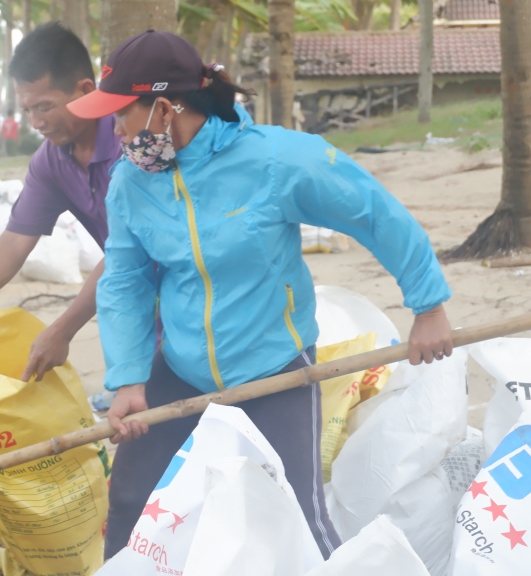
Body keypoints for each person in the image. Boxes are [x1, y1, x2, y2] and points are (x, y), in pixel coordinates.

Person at [66, 30, 454, 560]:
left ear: (163, 109)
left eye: (121, 116)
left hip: (276, 370)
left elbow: (373, 212)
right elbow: (126, 278)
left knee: (293, 509)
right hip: (180, 368)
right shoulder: (131, 181)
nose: (113, 131)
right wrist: (129, 377)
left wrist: (427, 306)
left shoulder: (275, 160)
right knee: (135, 498)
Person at [0, 22, 124, 382]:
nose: (36, 123)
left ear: (85, 90)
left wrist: (63, 329)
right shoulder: (51, 160)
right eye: (28, 109)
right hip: (133, 310)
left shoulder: (131, 143)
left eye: (45, 106)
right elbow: (16, 241)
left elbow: (129, 250)